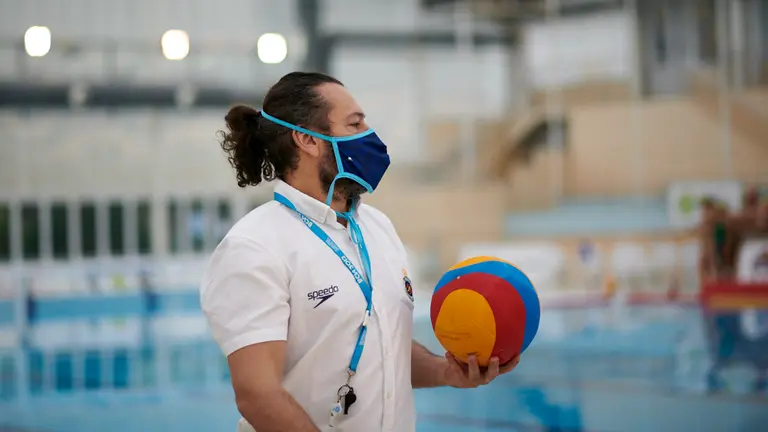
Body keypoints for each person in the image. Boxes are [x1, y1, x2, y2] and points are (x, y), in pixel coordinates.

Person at [200, 72, 520, 432]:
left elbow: (384, 346)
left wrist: (445, 371)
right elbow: (258, 393)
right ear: (307, 139)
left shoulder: (377, 227)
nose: (369, 134)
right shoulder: (255, 246)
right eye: (355, 124)